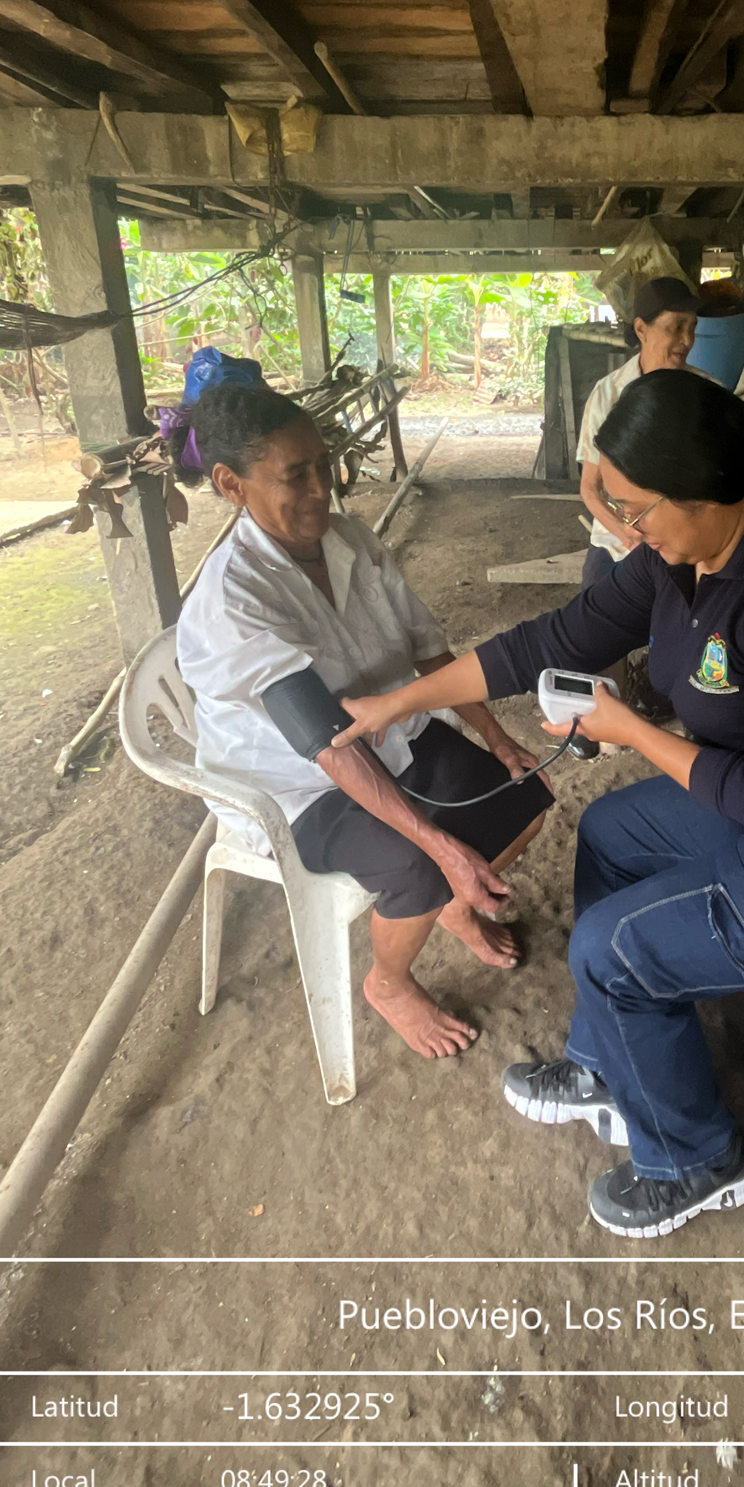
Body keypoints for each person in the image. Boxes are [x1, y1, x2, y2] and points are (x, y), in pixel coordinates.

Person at [332, 374, 744, 1236]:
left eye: (634, 508)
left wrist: (632, 732)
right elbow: (551, 639)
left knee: (611, 949)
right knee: (611, 831)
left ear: (703, 488)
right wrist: (398, 703)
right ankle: (608, 1061)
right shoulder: (684, 556)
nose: (626, 528)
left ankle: (700, 1159)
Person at [174, 383, 553, 1063]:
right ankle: (389, 983)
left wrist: (497, 737)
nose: (323, 488)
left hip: (388, 733)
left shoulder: (348, 538)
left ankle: (450, 905)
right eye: (296, 474)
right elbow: (326, 745)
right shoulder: (234, 599)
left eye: (324, 464)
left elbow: (428, 650)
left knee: (527, 794)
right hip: (296, 784)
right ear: (232, 484)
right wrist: (442, 848)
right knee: (418, 866)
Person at [577, 276, 721, 589]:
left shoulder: (709, 393)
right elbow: (590, 488)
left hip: (685, 544)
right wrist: (626, 533)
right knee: (592, 611)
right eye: (676, 327)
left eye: (692, 327)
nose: (687, 340)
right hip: (617, 543)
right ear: (642, 329)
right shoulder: (608, 394)